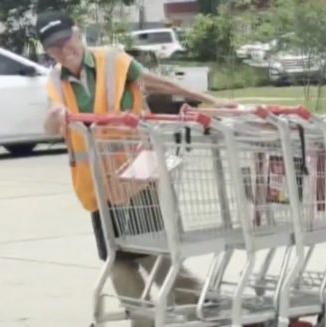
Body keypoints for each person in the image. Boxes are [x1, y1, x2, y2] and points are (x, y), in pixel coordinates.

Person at [36, 11, 232, 327]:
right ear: (47, 52)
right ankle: (144, 320)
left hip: (136, 175)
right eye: (53, 47)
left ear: (78, 33)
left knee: (153, 253)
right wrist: (54, 117)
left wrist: (209, 100)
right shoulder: (56, 81)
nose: (62, 50)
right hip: (97, 185)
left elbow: (158, 82)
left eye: (65, 40)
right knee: (116, 259)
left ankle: (204, 303)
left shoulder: (112, 61)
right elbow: (49, 125)